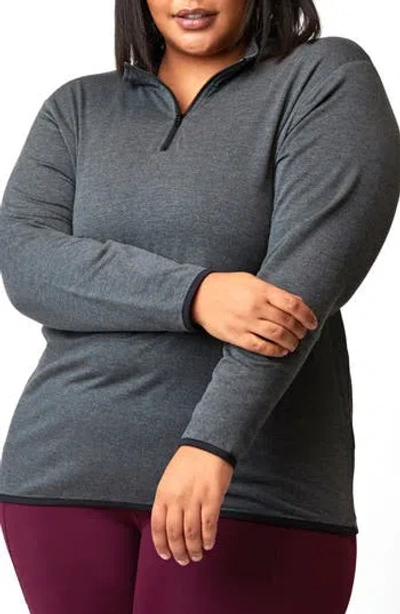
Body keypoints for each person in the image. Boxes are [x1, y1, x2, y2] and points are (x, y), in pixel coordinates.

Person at [0, 0, 399, 612]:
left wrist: (212, 444)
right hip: (58, 477)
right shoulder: (76, 108)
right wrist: (196, 295)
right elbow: (26, 262)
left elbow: (295, 297)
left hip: (249, 487)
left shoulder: (323, 79)